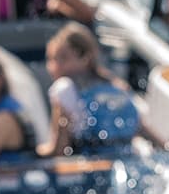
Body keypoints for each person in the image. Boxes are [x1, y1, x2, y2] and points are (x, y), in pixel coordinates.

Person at [37, 22, 143, 156]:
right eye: (51, 59)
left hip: (88, 162)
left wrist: (35, 151)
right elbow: (140, 128)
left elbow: (60, 148)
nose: (53, 66)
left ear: (85, 58)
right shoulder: (117, 85)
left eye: (63, 58)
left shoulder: (64, 88)